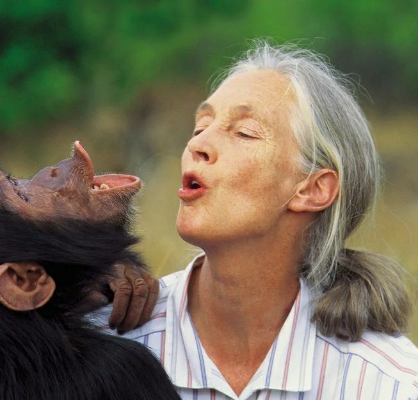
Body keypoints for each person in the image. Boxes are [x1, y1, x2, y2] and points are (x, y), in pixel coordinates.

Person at [97, 40, 418, 399]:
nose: (197, 145)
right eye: (201, 126)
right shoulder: (98, 347)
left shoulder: (391, 384)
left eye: (244, 132)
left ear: (312, 189)